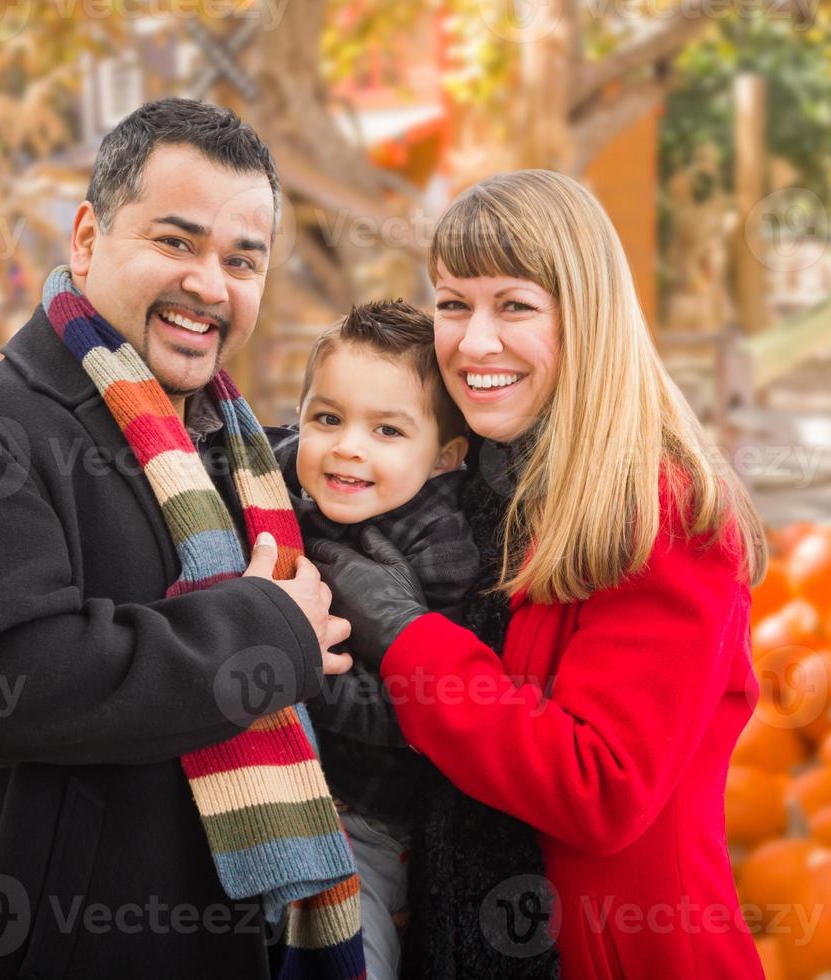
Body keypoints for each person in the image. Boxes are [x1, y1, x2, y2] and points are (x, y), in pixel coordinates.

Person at [0, 98, 363, 978]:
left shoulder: (249, 459)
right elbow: (5, 679)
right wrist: (265, 631)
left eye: (241, 260)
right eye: (175, 243)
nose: (210, 286)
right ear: (87, 239)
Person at [309, 169, 771, 979]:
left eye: (514, 305)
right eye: (452, 303)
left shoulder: (660, 512)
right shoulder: (472, 478)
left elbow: (600, 786)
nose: (473, 342)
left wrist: (405, 635)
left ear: (585, 317)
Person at [266, 299, 474, 979]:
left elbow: (413, 716)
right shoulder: (282, 481)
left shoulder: (440, 547)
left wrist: (298, 668)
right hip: (274, 786)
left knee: (347, 950)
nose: (348, 446)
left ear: (444, 457)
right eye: (328, 418)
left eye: (387, 430)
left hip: (366, 815)